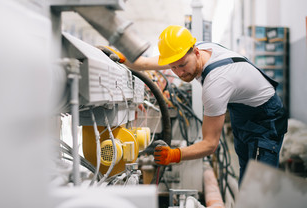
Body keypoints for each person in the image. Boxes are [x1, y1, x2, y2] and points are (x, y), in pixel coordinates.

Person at [103, 25, 288, 184]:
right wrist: (119, 57)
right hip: (243, 112)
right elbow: (143, 63)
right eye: (172, 67)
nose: (179, 73)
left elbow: (209, 144)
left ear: (196, 52)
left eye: (182, 65)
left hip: (265, 118)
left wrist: (174, 155)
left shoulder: (216, 84)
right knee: (246, 175)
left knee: (258, 184)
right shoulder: (189, 51)